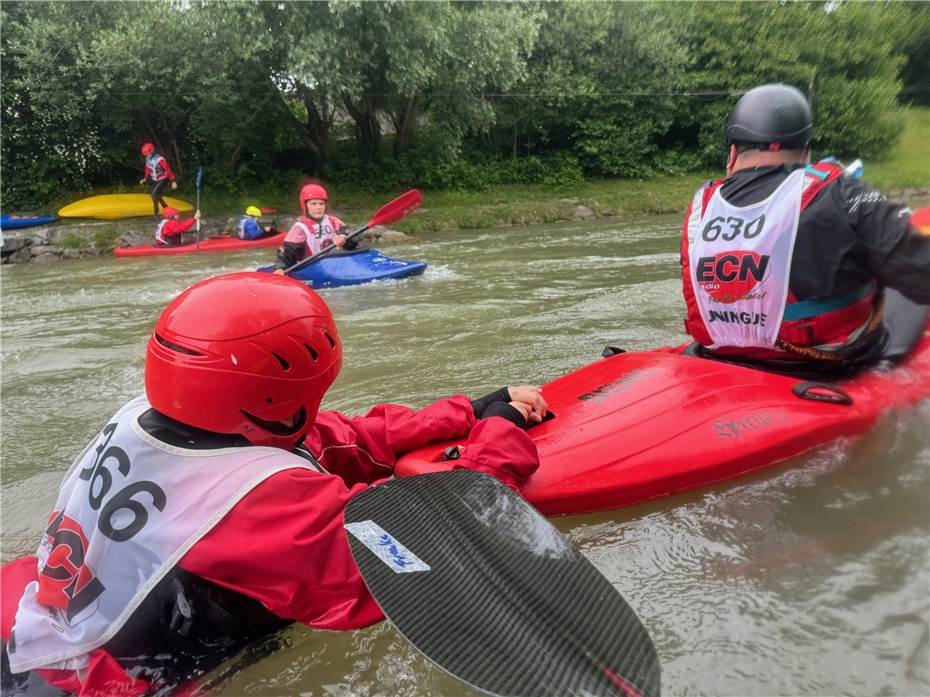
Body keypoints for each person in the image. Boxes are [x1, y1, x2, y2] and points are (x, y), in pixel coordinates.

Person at [0, 272, 544, 696]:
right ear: (280, 402)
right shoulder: (264, 505)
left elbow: (330, 439)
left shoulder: (148, 415)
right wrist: (502, 433)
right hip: (101, 683)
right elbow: (446, 545)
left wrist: (466, 411)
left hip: (29, 624)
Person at [680, 83, 930, 368]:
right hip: (821, 364)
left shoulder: (701, 206)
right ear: (806, 152)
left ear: (733, 153)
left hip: (716, 355)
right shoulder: (840, 192)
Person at [272, 184, 356, 273]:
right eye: (313, 204)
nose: (318, 207)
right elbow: (287, 253)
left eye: (321, 204)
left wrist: (344, 237)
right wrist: (280, 268)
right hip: (311, 269)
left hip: (335, 265)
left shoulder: (333, 221)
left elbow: (354, 237)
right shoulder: (300, 227)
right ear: (305, 206)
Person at [139, 143, 177, 218]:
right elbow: (147, 169)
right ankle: (167, 209)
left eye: (147, 153)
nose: (146, 155)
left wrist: (173, 181)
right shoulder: (148, 159)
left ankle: (156, 213)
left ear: (152, 151)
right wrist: (145, 178)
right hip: (155, 180)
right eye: (145, 154)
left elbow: (167, 169)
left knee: (153, 194)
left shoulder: (159, 159)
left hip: (163, 179)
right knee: (158, 196)